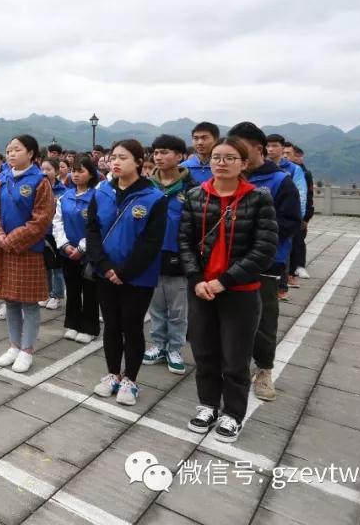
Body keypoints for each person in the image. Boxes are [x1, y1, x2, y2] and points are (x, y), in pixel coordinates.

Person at [180, 137, 278, 443]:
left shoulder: (258, 199)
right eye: (216, 157)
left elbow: (264, 249)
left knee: (235, 357)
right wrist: (196, 279)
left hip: (240, 290)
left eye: (230, 158)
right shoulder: (195, 196)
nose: (221, 163)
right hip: (201, 290)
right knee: (204, 351)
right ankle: (208, 405)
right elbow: (184, 242)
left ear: (244, 163)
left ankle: (233, 414)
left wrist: (224, 281)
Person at [88, 139, 168, 406]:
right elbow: (92, 230)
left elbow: (151, 242)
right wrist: (104, 265)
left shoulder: (154, 198)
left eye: (123, 157)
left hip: (138, 276)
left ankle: (130, 380)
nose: (116, 162)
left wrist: (124, 271)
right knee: (111, 325)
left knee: (132, 327)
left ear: (139, 161)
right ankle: (112, 374)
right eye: (113, 157)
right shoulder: (101, 192)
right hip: (105, 273)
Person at [227, 122, 301, 401]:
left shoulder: (280, 181)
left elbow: (290, 222)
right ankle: (235, 367)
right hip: (231, 262)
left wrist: (254, 239)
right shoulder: (231, 177)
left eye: (240, 148)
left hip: (265, 264)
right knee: (232, 319)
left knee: (263, 321)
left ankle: (264, 371)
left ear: (258, 149)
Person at [0, 135, 56, 372]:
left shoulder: (40, 181)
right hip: (5, 249)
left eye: (17, 150)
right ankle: (14, 346)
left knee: (29, 303)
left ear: (31, 154)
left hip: (28, 251)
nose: (11, 154)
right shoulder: (1, 178)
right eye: (9, 150)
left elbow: (41, 220)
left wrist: (11, 239)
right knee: (10, 300)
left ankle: (27, 350)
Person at [142, 135, 198, 375]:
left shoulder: (191, 188)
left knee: (177, 309)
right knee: (156, 306)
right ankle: (158, 344)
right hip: (151, 254)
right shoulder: (146, 186)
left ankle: (175, 348)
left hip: (179, 254)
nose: (158, 157)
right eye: (156, 152)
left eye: (164, 152)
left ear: (180, 156)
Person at [53, 156, 100, 343]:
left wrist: (82, 247)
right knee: (72, 290)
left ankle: (89, 327)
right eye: (74, 171)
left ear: (91, 174)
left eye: (81, 171)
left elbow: (98, 226)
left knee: (90, 291)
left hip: (88, 253)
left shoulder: (97, 197)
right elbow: (57, 223)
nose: (76, 174)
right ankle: (72, 324)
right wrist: (65, 245)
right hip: (67, 251)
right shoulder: (65, 196)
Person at [266, 133, 308, 289]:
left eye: (274, 146)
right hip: (265, 217)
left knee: (284, 250)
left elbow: (301, 195)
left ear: (282, 148)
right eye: (268, 146)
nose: (270, 149)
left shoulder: (293, 169)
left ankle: (282, 286)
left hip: (284, 217)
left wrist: (298, 218)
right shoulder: (260, 166)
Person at [38, 158, 66, 310]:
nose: (44, 172)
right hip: (40, 232)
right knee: (44, 265)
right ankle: (47, 293)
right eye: (42, 169)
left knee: (56, 265)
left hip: (54, 232)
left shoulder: (62, 191)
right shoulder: (37, 188)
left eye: (48, 169)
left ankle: (57, 295)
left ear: (56, 171)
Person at [289, 144, 314, 279]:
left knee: (299, 239)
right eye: (296, 156)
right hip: (288, 211)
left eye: (300, 156)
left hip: (301, 213)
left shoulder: (305, 173)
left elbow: (309, 196)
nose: (299, 159)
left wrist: (306, 217)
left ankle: (299, 266)